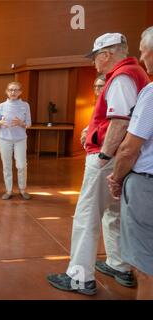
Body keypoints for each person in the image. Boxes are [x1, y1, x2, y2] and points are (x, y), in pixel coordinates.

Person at [47, 33, 150, 295]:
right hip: (121, 157)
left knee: (87, 214)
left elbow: (120, 122)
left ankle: (80, 277)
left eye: (95, 57)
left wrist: (103, 155)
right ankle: (118, 264)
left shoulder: (121, 77)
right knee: (113, 213)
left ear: (106, 54)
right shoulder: (134, 74)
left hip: (108, 157)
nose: (94, 63)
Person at [107, 26, 153, 300]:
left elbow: (128, 149)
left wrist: (116, 178)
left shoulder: (150, 93)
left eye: (142, 48)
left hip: (146, 185)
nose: (140, 54)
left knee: (145, 263)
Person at [0, 81, 32, 200]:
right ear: (7, 92)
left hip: (20, 139)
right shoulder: (1, 106)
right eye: (10, 90)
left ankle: (22, 189)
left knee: (21, 165)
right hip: (4, 139)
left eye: (15, 90)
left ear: (20, 92)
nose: (13, 92)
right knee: (7, 165)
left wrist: (21, 123)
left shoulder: (25, 105)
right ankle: (9, 190)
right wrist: (0, 123)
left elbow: (29, 124)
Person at [80, 75, 106, 147]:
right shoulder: (99, 102)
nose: (97, 88)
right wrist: (85, 131)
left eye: (100, 86)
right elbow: (94, 122)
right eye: (95, 86)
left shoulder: (109, 102)